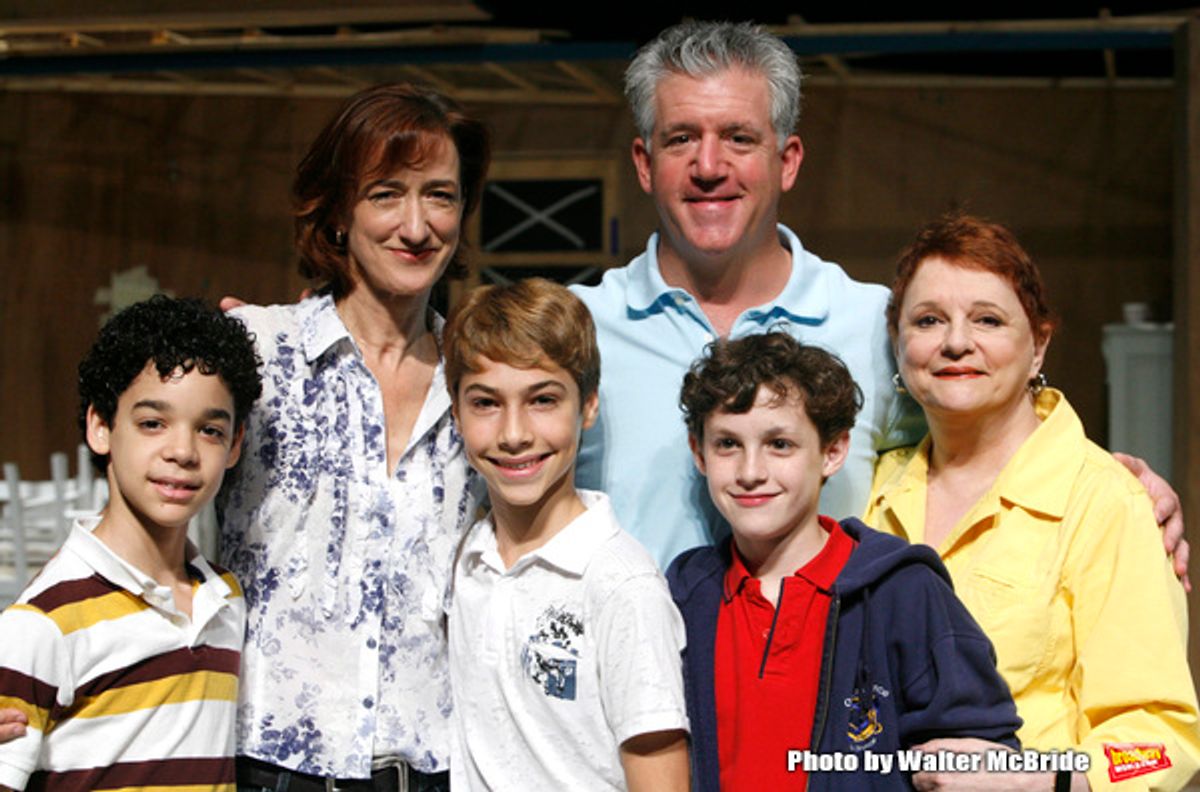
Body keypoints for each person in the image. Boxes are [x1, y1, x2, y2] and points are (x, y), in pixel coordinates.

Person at [570, 20, 1188, 576]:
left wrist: (1115, 486)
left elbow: (988, 438)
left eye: (739, 138)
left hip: (830, 696)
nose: (709, 165)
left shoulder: (873, 326)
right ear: (644, 164)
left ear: (787, 161)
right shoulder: (575, 333)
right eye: (680, 139)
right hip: (623, 700)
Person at [864, 214, 1200, 791]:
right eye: (928, 320)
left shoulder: (1106, 502)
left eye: (988, 320)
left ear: (1038, 344)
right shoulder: (872, 491)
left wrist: (1036, 781)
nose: (955, 342)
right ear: (898, 343)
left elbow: (1160, 739)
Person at [218, 84, 490, 790]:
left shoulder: (483, 383)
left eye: (440, 195)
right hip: (273, 771)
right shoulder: (257, 352)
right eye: (385, 194)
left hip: (436, 771)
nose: (416, 225)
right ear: (338, 212)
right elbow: (140, 506)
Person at [668, 331, 1020, 791]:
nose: (751, 472)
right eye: (727, 445)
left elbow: (989, 763)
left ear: (832, 452)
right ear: (700, 454)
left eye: (780, 445)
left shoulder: (904, 591)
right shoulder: (684, 594)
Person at [0, 295, 261, 790]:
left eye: (209, 429)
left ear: (235, 445)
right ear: (101, 427)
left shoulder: (225, 600)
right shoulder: (44, 622)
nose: (182, 452)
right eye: (152, 423)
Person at [442, 278, 689, 791]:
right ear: (456, 413)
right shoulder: (466, 554)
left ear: (589, 405)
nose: (514, 434)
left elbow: (658, 771)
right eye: (485, 403)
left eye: (543, 400)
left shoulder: (622, 584)